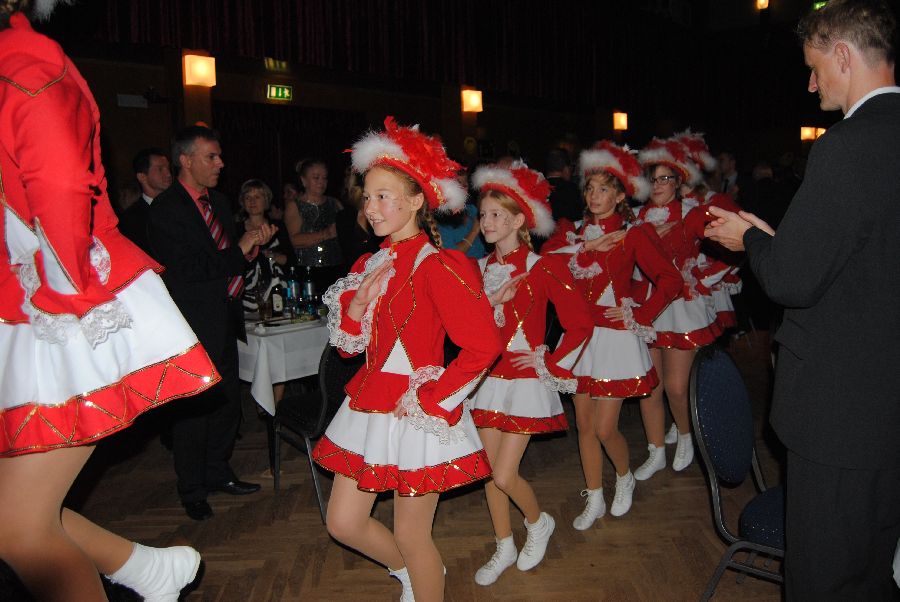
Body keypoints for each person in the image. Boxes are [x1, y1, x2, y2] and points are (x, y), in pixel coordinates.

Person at [0, 4, 219, 599]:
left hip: (67, 292)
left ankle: (151, 569)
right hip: (34, 294)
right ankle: (148, 570)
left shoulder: (26, 64)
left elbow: (60, 188)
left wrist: (65, 293)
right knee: (17, 514)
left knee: (20, 528)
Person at [705, 1, 900, 597]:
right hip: (888, 403)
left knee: (825, 576)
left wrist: (749, 241)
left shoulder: (846, 146)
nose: (811, 84)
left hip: (842, 410)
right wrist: (780, 244)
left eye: (814, 68)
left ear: (843, 55)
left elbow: (792, 281)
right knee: (875, 565)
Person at [311, 117, 501, 601]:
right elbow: (348, 348)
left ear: (417, 201)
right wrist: (357, 305)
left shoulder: (438, 265)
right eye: (367, 197)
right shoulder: (369, 263)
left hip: (415, 410)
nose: (370, 208)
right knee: (343, 522)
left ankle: (424, 578)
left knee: (413, 535)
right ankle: (413, 576)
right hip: (369, 403)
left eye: (383, 196)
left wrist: (433, 398)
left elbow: (483, 346)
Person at [542, 141, 682, 529]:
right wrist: (586, 245)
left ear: (620, 196)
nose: (594, 195)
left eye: (604, 189)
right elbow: (543, 264)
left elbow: (671, 280)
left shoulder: (633, 235)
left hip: (616, 339)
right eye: (590, 188)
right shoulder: (572, 233)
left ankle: (624, 477)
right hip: (580, 338)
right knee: (585, 427)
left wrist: (642, 312)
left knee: (605, 429)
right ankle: (594, 497)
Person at [467, 162, 593, 586]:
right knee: (488, 472)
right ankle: (503, 544)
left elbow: (580, 324)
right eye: (483, 214)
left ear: (519, 220)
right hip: (487, 380)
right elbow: (470, 329)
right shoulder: (479, 269)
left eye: (496, 215)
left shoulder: (543, 266)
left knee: (504, 474)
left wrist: (548, 363)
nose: (486, 222)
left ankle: (538, 524)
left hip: (524, 381)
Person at [149, 126, 276, 521]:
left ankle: (218, 471)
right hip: (191, 323)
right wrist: (239, 249)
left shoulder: (218, 202)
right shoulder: (166, 209)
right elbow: (187, 270)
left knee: (226, 405)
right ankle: (192, 489)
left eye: (219, 155)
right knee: (192, 412)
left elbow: (228, 262)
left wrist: (250, 249)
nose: (221, 163)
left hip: (225, 316)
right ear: (186, 160)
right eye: (211, 157)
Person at [631, 138, 721, 479]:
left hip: (680, 307)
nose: (657, 186)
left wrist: (702, 276)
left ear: (678, 182)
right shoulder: (636, 217)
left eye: (665, 179)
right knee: (649, 386)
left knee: (676, 387)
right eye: (653, 179)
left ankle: (686, 435)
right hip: (646, 306)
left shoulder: (691, 213)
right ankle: (655, 450)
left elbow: (731, 244)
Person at [235, 178, 296, 314]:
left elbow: (291, 260)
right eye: (248, 197)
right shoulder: (236, 230)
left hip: (277, 291)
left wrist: (272, 256)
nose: (252, 201)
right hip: (246, 296)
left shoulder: (277, 227)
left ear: (266, 200)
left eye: (257, 197)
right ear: (242, 202)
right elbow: (233, 263)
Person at [283, 158, 344, 292]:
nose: (321, 182)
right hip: (307, 271)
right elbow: (294, 240)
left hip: (336, 269)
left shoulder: (334, 203)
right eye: (316, 178)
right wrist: (326, 234)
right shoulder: (295, 206)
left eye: (324, 178)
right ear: (303, 180)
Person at [119, 148, 172, 255]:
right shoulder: (131, 219)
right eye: (160, 169)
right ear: (142, 177)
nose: (168, 174)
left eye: (168, 168)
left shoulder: (180, 206)